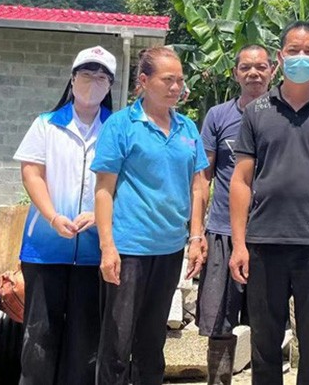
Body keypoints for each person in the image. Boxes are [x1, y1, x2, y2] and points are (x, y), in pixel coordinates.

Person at [228, 21, 309, 385]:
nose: (301, 57)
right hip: (264, 243)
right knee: (264, 346)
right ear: (280, 56)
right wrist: (239, 244)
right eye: (293, 50)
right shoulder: (257, 111)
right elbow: (241, 181)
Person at [92, 46, 210, 385]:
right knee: (117, 342)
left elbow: (198, 185)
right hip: (129, 249)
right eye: (167, 80)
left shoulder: (187, 129)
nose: (176, 87)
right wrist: (107, 247)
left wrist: (196, 236)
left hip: (170, 248)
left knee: (153, 341)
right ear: (144, 81)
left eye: (180, 81)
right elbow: (104, 190)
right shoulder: (121, 125)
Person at [14, 46, 116, 385]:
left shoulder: (116, 129)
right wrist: (52, 216)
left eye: (101, 77)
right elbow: (32, 174)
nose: (93, 82)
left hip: (95, 251)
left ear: (109, 86)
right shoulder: (46, 124)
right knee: (39, 337)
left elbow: (124, 181)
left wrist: (97, 214)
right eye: (86, 74)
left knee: (86, 340)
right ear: (72, 80)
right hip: (45, 249)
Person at [194, 45, 274, 384]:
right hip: (223, 231)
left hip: (269, 234)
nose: (253, 73)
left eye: (261, 67)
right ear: (235, 73)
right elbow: (203, 179)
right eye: (246, 67)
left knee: (267, 324)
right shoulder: (218, 116)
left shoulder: (283, 114)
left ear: (273, 70)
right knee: (219, 323)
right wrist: (196, 233)